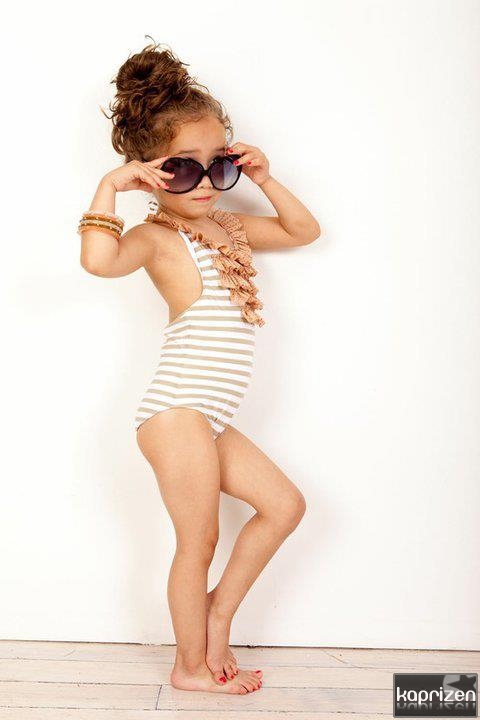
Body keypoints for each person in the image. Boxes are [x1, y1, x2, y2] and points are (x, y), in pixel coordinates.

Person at [78, 38, 321, 696]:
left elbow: (303, 231)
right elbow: (98, 262)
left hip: (207, 415)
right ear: (150, 174)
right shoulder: (156, 238)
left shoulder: (230, 230)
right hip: (176, 412)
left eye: (219, 166)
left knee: (284, 506)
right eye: (183, 170)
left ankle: (217, 615)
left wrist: (264, 178)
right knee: (199, 540)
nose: (206, 184)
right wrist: (109, 186)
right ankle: (188, 667)